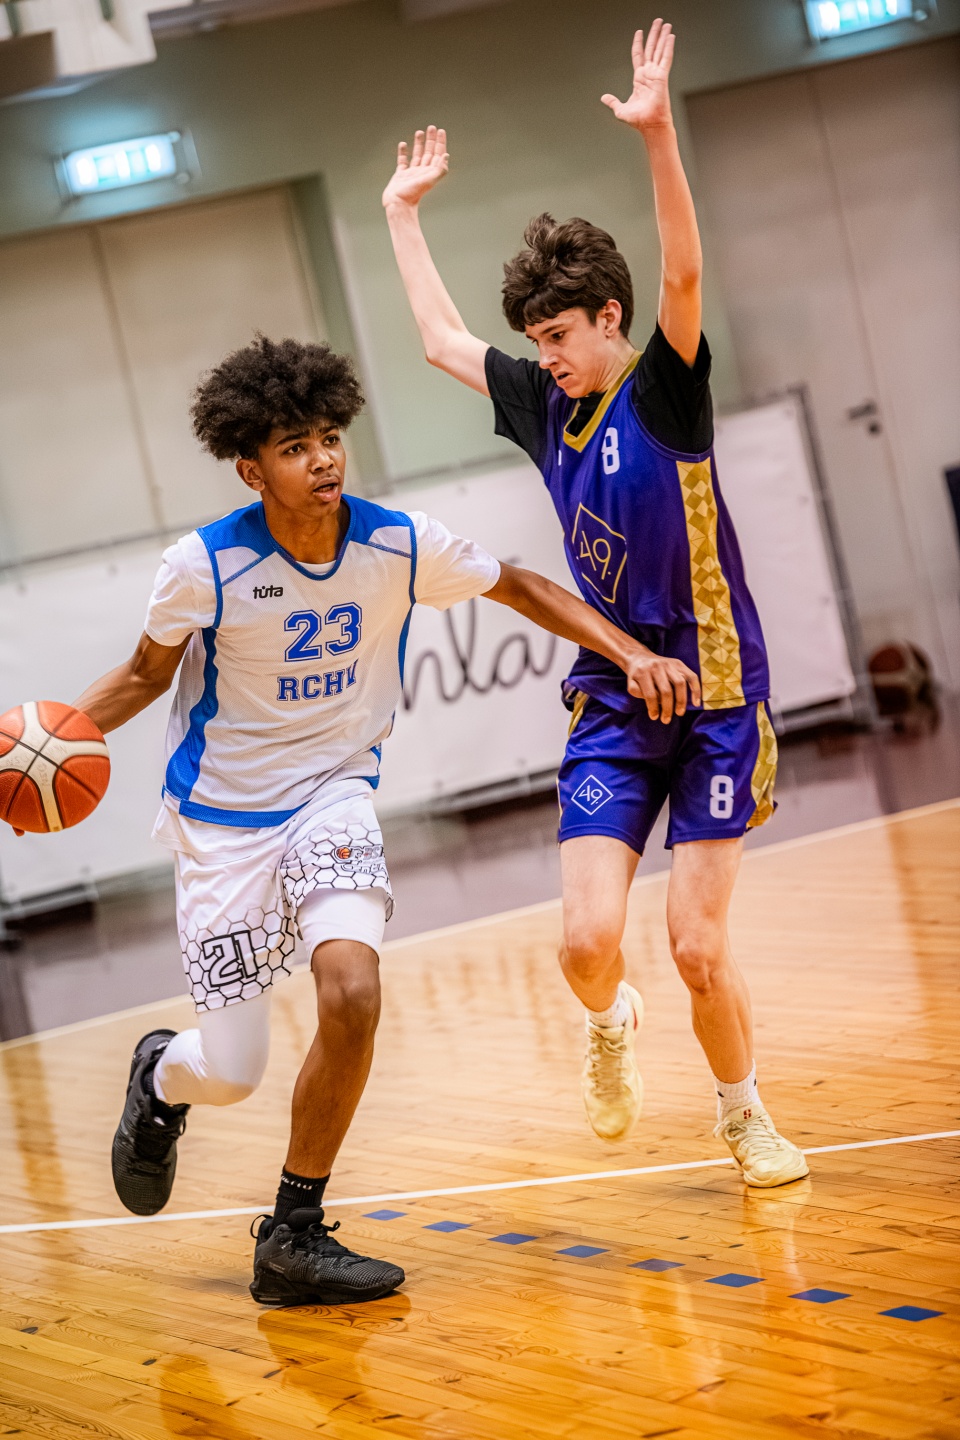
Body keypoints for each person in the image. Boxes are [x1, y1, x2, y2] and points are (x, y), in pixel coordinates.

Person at [68, 334, 673, 1308]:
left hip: (333, 796)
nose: (323, 460)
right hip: (220, 823)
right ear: (251, 469)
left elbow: (519, 585)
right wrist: (42, 742)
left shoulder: (397, 542)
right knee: (233, 1071)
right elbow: (143, 676)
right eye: (295, 447)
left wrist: (629, 653)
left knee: (351, 991)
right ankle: (159, 1078)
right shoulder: (205, 566)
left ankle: (293, 1233)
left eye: (330, 438)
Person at [383, 18, 808, 1188]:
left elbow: (683, 271)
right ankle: (609, 1022)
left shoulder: (664, 390)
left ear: (609, 320)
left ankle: (742, 1115)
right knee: (585, 943)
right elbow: (439, 340)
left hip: (716, 697)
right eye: (537, 340)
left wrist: (658, 135)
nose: (548, 354)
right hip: (618, 697)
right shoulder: (543, 405)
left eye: (561, 335)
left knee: (698, 947)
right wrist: (401, 215)